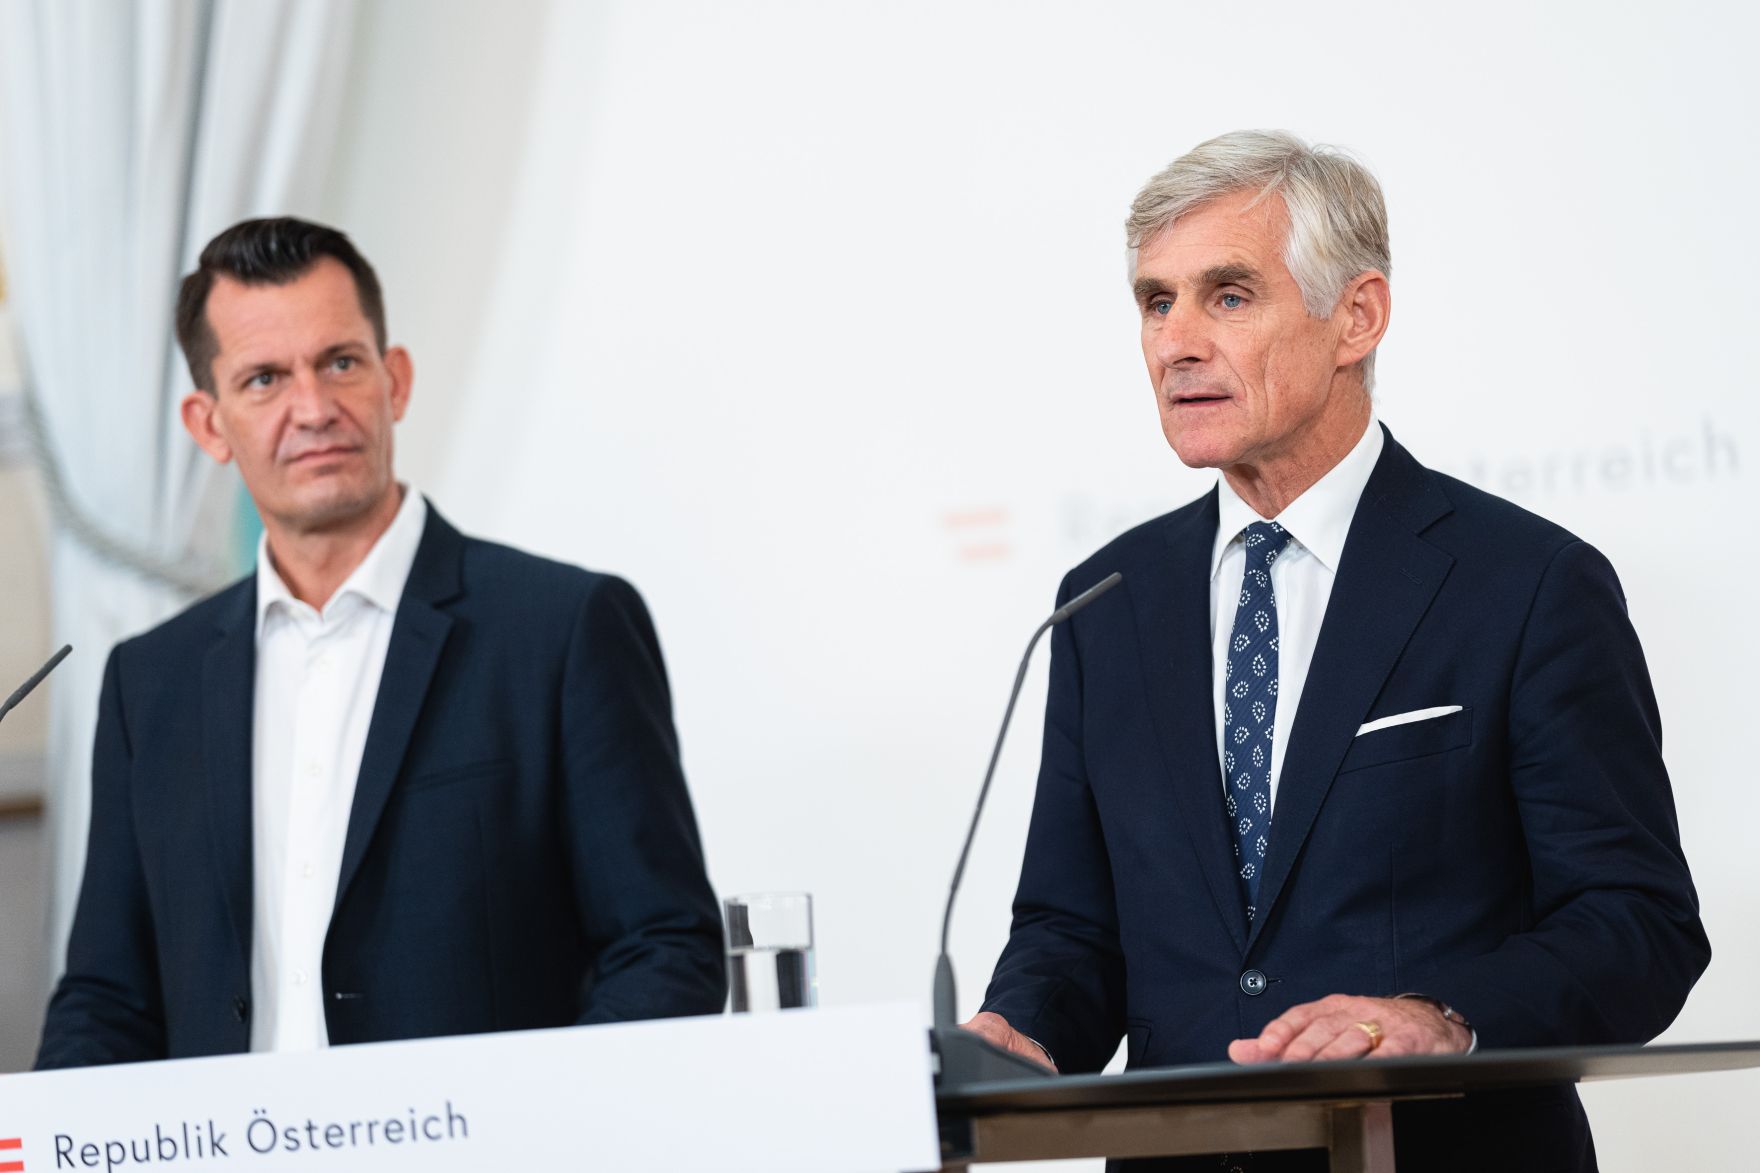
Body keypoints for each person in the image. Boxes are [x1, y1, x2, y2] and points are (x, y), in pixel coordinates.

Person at [962, 131, 1708, 1171]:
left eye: (1226, 296)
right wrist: (1019, 1035)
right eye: (1154, 301)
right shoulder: (1105, 603)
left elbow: (1634, 923)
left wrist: (1435, 1014)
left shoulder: (1523, 584)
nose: (1176, 341)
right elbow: (1070, 930)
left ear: (1355, 316)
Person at [37, 217, 725, 1066]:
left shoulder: (563, 628)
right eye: (263, 379)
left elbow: (664, 948)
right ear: (208, 423)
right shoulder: (151, 682)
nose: (314, 408)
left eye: (340, 362)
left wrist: (538, 1139)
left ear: (394, 380)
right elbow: (107, 996)